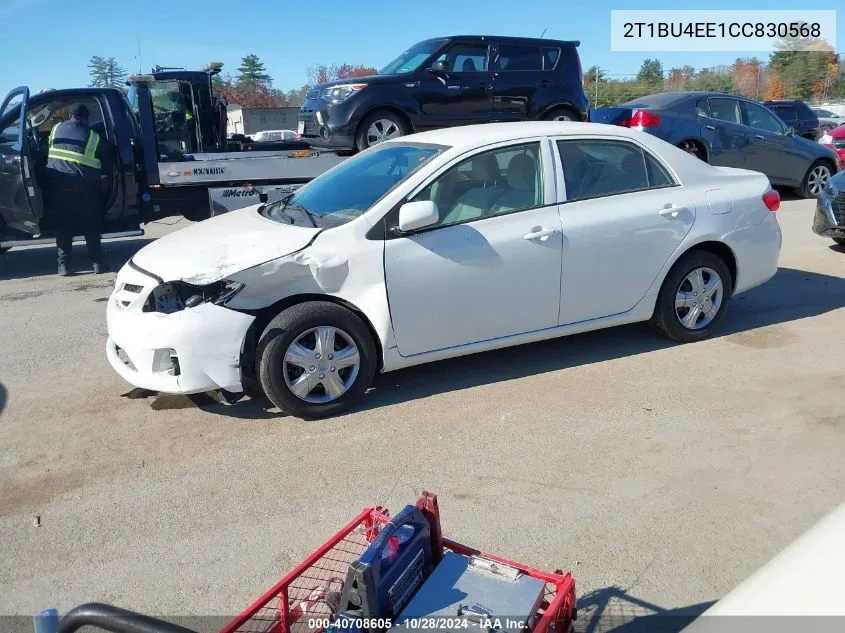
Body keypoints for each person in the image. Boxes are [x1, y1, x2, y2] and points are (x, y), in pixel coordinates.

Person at [44, 103, 107, 276]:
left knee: (64, 229)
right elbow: (105, 153)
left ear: (70, 116)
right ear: (86, 118)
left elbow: (50, 149)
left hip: (59, 189)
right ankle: (98, 264)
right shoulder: (93, 136)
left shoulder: (56, 129)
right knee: (91, 227)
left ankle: (63, 266)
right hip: (86, 190)